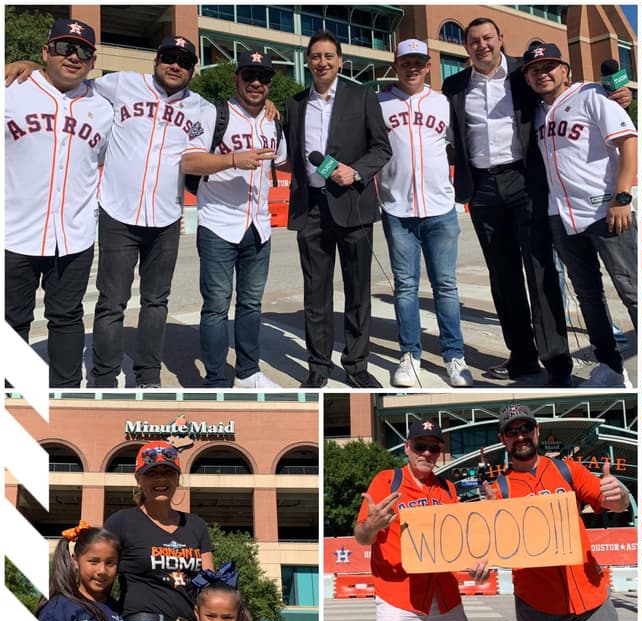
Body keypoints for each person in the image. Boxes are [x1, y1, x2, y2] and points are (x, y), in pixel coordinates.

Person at [5, 36, 212, 388]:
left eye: (185, 60)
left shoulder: (203, 109)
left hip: (164, 217)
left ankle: (146, 377)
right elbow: (68, 79)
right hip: (117, 213)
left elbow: (195, 157)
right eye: (168, 57)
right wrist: (36, 68)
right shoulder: (119, 84)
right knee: (111, 303)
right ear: (156, 60)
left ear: (193, 68)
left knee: (155, 302)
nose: (175, 65)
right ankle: (102, 378)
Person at [443, 19, 629, 387]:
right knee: (503, 276)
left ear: (501, 40)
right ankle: (523, 358)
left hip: (526, 181)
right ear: (465, 47)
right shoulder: (453, 87)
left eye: (488, 38)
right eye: (473, 40)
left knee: (541, 271)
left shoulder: (524, 74)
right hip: (482, 187)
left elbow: (565, 93)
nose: (482, 46)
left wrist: (616, 96)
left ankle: (557, 362)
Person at [487, 404, 630, 621]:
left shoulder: (567, 470)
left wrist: (621, 498)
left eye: (526, 428)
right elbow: (490, 544)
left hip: (591, 592)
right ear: (503, 440)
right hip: (538, 600)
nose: (521, 436)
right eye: (512, 431)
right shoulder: (499, 490)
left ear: (537, 431)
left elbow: (611, 502)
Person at [523, 43, 638, 388]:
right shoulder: (537, 113)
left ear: (564, 70)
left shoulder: (591, 95)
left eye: (549, 66)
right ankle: (610, 366)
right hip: (562, 214)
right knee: (587, 294)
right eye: (534, 70)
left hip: (606, 209)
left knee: (630, 290)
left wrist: (622, 196)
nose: (543, 73)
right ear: (527, 78)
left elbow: (628, 141)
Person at [4, 19, 112, 387]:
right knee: (11, 320)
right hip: (13, 231)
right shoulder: (10, 89)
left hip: (73, 235)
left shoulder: (104, 106)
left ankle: (65, 397)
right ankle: (12, 398)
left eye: (83, 50)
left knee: (66, 317)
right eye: (64, 47)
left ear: (93, 60)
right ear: (45, 52)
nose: (73, 56)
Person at [284, 30, 392, 389]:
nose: (322, 62)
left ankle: (356, 364)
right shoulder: (295, 103)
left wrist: (356, 171)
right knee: (315, 292)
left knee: (357, 290)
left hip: (353, 206)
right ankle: (318, 365)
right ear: (307, 61)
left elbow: (381, 148)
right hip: (311, 208)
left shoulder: (362, 96)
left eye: (329, 56)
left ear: (340, 61)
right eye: (316, 56)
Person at [181, 52, 289, 388]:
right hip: (218, 224)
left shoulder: (274, 120)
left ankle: (247, 372)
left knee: (251, 304)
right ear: (236, 79)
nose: (256, 82)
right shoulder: (215, 114)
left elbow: (282, 158)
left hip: (258, 226)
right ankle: (215, 378)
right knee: (216, 306)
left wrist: (276, 111)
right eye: (249, 75)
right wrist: (231, 159)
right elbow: (189, 162)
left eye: (264, 77)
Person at [355, 419, 477, 621]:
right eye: (420, 446)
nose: (427, 454)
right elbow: (362, 536)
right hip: (399, 597)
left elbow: (457, 545)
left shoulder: (448, 489)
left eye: (433, 448)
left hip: (445, 597)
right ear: (407, 448)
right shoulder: (388, 480)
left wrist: (477, 562)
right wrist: (371, 524)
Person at [376, 39, 474, 388]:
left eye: (419, 62)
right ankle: (410, 356)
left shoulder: (444, 103)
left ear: (429, 66)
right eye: (406, 62)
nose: (412, 68)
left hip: (439, 208)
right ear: (396, 64)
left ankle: (454, 356)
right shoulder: (379, 103)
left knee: (445, 286)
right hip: (396, 208)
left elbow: (463, 143)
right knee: (405, 286)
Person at [104, 441, 214, 621]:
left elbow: (210, 588)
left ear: (178, 478)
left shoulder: (196, 525)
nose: (160, 479)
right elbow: (101, 573)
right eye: (152, 473)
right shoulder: (122, 522)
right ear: (138, 479)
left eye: (167, 472)